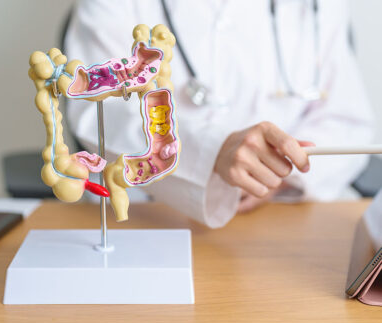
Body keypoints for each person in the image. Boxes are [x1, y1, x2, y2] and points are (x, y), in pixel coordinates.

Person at [64, 0, 374, 228]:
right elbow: (100, 108)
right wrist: (213, 152)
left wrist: (275, 174)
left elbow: (346, 120)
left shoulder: (321, 6)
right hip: (151, 215)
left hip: (286, 221)